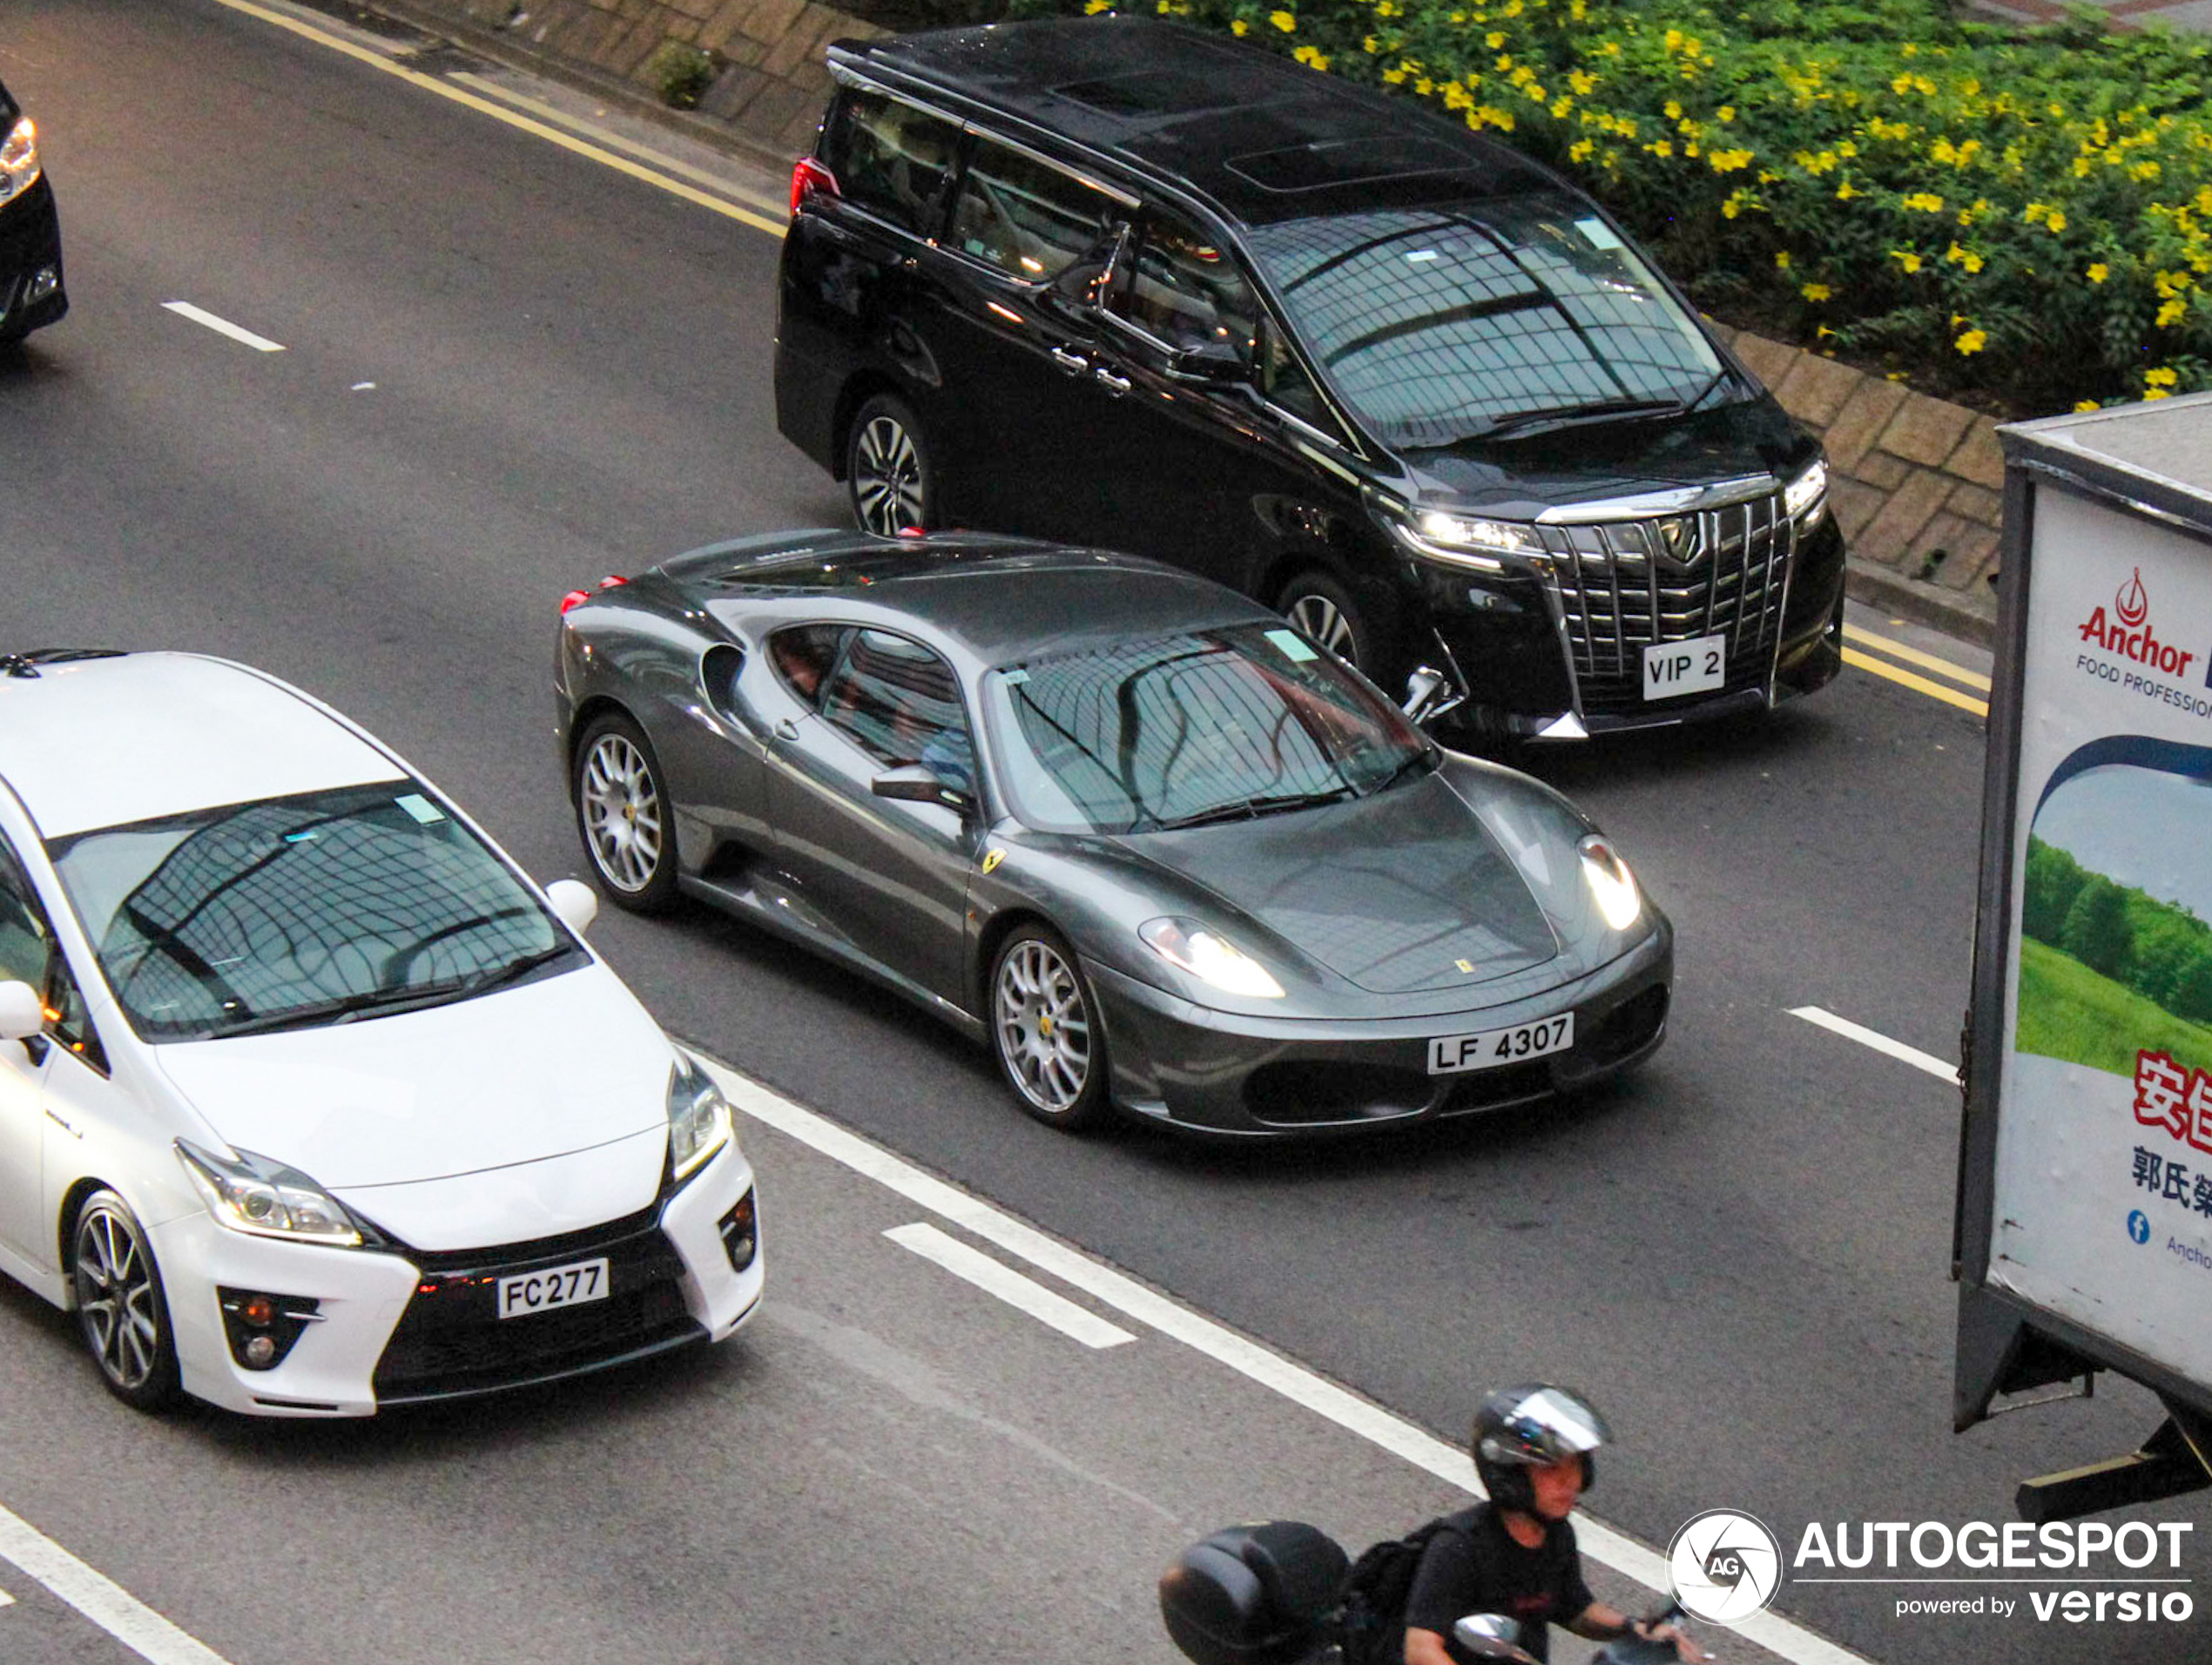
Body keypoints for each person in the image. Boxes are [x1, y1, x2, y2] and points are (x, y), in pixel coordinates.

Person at [1403, 1384, 1706, 1665]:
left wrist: (1633, 1628)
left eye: (1576, 1466)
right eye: (1552, 1470)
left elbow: (1574, 1609)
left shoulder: (1555, 1534)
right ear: (1510, 1477)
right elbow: (1421, 1649)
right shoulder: (1459, 1546)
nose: (1571, 1481)